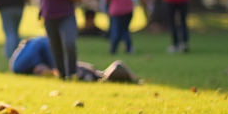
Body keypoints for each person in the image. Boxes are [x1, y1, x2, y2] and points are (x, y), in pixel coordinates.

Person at [9, 37, 139, 82]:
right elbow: (42, 68)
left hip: (17, 63)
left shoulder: (35, 48)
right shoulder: (46, 45)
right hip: (24, 62)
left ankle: (96, 74)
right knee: (66, 68)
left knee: (66, 67)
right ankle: (95, 74)